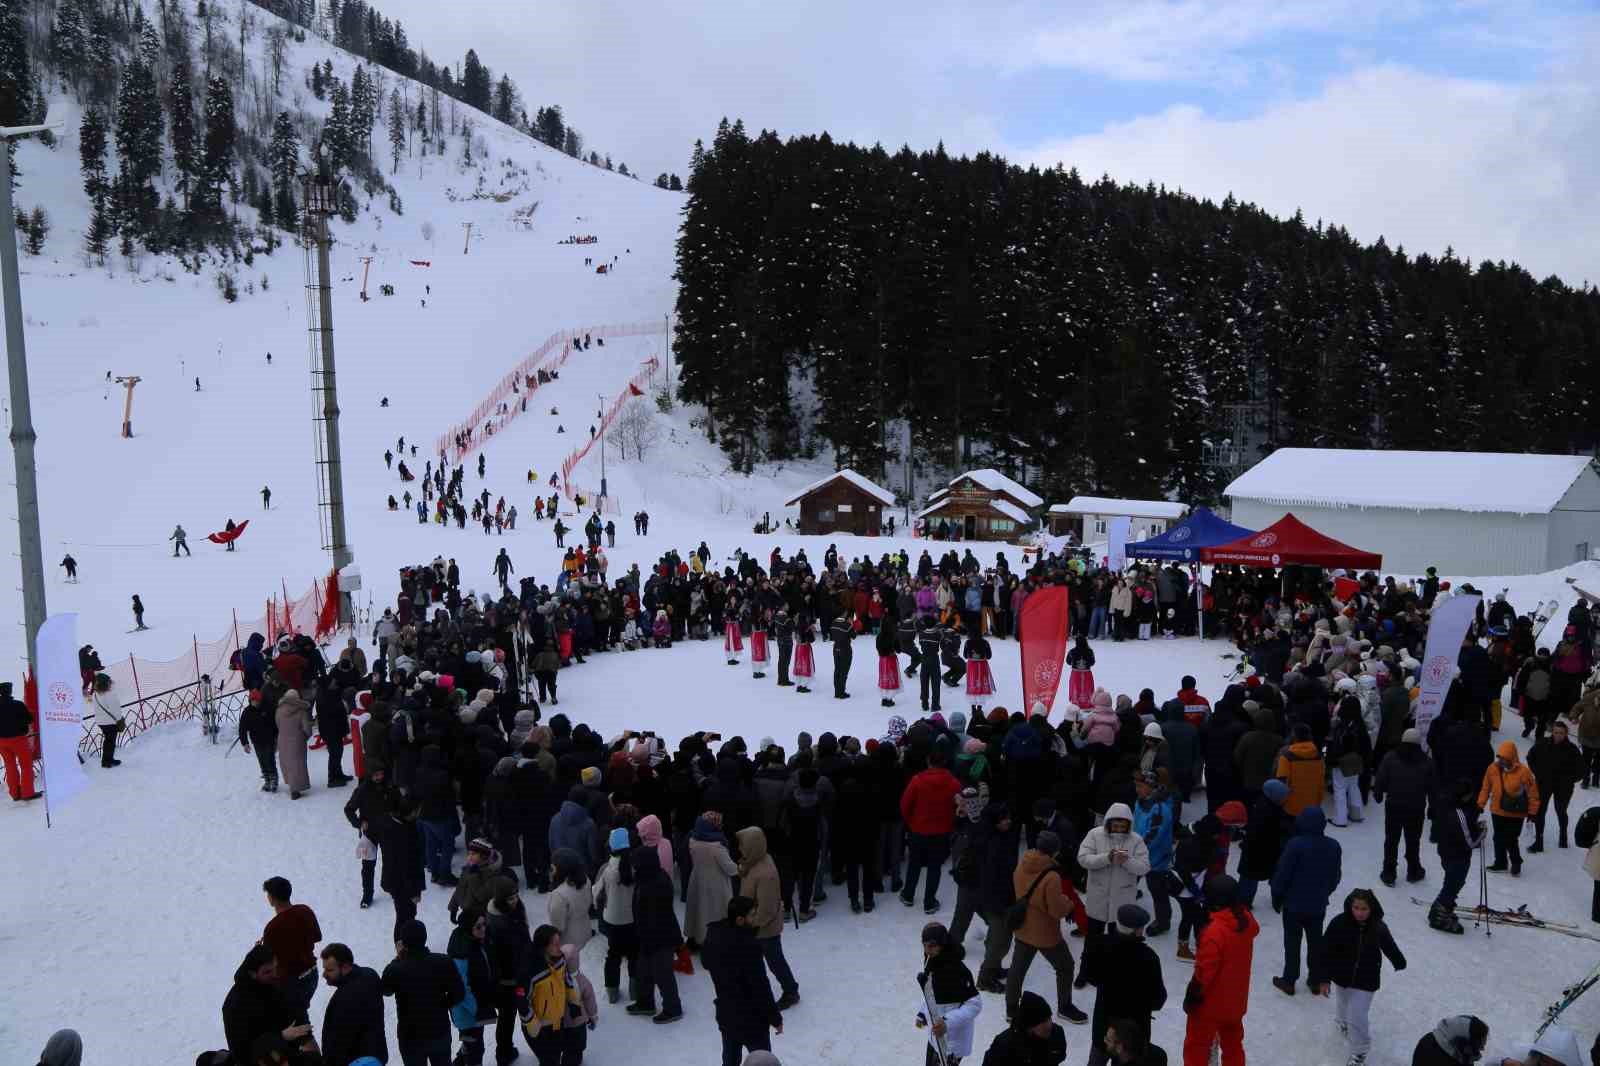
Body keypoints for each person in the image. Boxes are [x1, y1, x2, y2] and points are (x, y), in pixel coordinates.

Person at [1004, 829, 1089, 1026]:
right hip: (1046, 934)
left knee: (1017, 970)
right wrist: (1068, 902)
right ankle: (1065, 1007)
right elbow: (1057, 911)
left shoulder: (1022, 864)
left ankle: (1011, 1009)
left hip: (1023, 928)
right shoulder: (1052, 877)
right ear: (1054, 851)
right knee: (1065, 966)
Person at [1313, 888, 1406, 1066]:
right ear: (1350, 906)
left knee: (1357, 1015)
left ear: (1371, 909)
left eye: (1364, 909)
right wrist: (1323, 979)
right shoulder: (1339, 923)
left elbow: (1389, 945)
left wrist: (1399, 961)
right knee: (1343, 1004)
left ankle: (1360, 1052)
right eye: (1356, 907)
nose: (1360, 912)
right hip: (1342, 976)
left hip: (1367, 979)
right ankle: (1343, 1022)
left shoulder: (1378, 926)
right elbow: (1324, 951)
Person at [1180, 876, 1257, 1066]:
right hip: (1236, 1001)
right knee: (1233, 1046)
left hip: (1210, 1007)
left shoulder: (1215, 932)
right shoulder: (1245, 920)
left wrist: (1192, 997)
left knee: (1196, 1048)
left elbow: (1204, 973)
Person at [702, 896, 784, 1066]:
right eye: (752, 915)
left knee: (730, 1060)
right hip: (752, 1020)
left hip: (727, 1015)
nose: (756, 918)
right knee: (761, 1060)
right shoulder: (748, 946)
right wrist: (775, 1018)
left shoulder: (714, 936)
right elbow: (760, 987)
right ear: (740, 920)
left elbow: (705, 962)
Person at [1082, 904, 1166, 1066]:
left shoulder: (1099, 945)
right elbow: (1158, 999)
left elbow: (1090, 976)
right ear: (1136, 930)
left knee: (1097, 1060)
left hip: (1103, 1026)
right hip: (1132, 1033)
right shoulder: (1148, 958)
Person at [1270, 807, 1341, 996]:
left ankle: (1289, 980)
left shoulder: (1295, 844)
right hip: (1317, 905)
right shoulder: (1333, 846)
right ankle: (1315, 980)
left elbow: (1283, 874)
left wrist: (1277, 895)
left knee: (1292, 942)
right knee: (1315, 943)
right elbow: (1335, 877)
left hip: (1293, 905)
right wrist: (1325, 892)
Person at [381, 919, 465, 1066]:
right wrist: (443, 1004)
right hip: (439, 1030)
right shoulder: (443, 962)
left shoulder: (396, 969)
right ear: (425, 937)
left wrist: (397, 959)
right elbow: (459, 994)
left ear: (403, 943)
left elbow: (385, 990)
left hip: (410, 1036)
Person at [737, 826, 800, 1010]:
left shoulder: (766, 875)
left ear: (752, 847)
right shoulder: (755, 861)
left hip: (764, 929)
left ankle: (790, 990)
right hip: (753, 926)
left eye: (743, 845)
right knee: (754, 961)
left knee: (774, 961)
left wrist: (748, 921)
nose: (740, 849)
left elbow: (766, 910)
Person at [901, 748, 964, 914]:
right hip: (942, 831)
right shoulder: (954, 783)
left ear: (928, 762)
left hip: (919, 829)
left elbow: (905, 805)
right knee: (935, 866)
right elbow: (959, 806)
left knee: (914, 864)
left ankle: (908, 894)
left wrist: (910, 823)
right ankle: (929, 902)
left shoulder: (917, 780)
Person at [628, 844, 685, 1023]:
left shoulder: (656, 884)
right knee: (643, 970)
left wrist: (648, 941)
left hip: (660, 938)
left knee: (663, 974)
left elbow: (656, 918)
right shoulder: (647, 877)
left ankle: (673, 1008)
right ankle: (646, 1003)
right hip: (647, 936)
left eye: (636, 862)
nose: (633, 865)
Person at [223, 943, 307, 1065]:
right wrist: (281, 1037)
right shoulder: (236, 1005)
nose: (274, 974)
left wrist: (304, 1035)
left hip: (286, 1054)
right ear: (253, 974)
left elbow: (289, 1012)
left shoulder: (271, 984)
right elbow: (242, 1052)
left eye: (276, 968)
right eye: (267, 972)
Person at [1372, 728, 1435, 886]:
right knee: (1413, 839)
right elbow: (1433, 787)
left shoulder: (1391, 757)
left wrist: (1378, 793)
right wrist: (1432, 807)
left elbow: (1381, 777)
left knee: (1391, 840)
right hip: (1416, 807)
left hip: (1394, 805)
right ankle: (1414, 870)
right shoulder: (1427, 762)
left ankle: (1389, 872)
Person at [916, 922, 983, 1066]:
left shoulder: (959, 971)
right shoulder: (931, 963)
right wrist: (923, 1012)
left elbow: (974, 1005)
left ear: (942, 944)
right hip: (935, 1038)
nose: (927, 950)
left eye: (932, 945)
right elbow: (930, 994)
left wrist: (947, 1023)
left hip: (953, 1044)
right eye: (925, 945)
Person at [1427, 780, 1486, 935]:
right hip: (1457, 854)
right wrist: (1482, 832)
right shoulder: (1459, 814)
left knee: (1452, 881)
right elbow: (1470, 841)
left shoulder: (1445, 804)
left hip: (1446, 850)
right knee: (1454, 883)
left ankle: (1445, 908)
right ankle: (1439, 914)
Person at [263, 876, 324, 1023]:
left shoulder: (273, 928)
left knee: (296, 1024)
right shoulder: (305, 911)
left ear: (272, 898)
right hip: (311, 974)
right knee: (299, 1016)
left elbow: (268, 960)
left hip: (291, 982)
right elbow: (317, 936)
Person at [318, 943, 387, 1066]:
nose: (324, 975)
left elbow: (336, 1042)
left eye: (329, 970)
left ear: (344, 967)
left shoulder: (342, 999)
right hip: (376, 1056)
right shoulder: (370, 974)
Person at [522, 925, 581, 1066]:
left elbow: (567, 981)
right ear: (543, 947)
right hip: (539, 1028)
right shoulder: (530, 970)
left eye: (559, 942)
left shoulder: (560, 960)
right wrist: (533, 1024)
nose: (559, 947)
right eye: (555, 944)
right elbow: (522, 1001)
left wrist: (574, 1003)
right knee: (548, 1060)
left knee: (555, 1055)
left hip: (557, 1022)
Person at [1478, 740, 1539, 875]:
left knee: (1511, 838)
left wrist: (1532, 812)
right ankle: (1500, 862)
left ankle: (1516, 862)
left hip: (1516, 813)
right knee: (1498, 838)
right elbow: (1485, 788)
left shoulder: (1524, 772)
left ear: (1512, 757)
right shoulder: (1492, 769)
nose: (1502, 761)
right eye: (1500, 758)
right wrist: (1480, 804)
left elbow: (1533, 794)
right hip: (1497, 810)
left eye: (1505, 758)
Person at [447, 909, 498, 1066]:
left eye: (484, 924)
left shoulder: (474, 941)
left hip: (475, 1008)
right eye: (478, 926)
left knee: (471, 1044)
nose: (483, 929)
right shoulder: (461, 953)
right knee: (475, 1048)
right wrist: (477, 1010)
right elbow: (461, 987)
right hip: (466, 1012)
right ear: (469, 928)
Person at [595, 827, 639, 1004]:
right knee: (634, 955)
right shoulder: (635, 866)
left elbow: (597, 892)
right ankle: (635, 991)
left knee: (613, 955)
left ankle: (612, 992)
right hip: (633, 919)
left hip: (613, 920)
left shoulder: (607, 870)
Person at [1528, 720, 1582, 851]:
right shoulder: (1543, 743)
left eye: (1561, 733)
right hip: (1544, 783)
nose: (1558, 735)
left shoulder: (1572, 749)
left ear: (1566, 734)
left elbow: (1581, 770)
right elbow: (1530, 757)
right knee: (1540, 812)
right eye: (1556, 732)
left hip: (1563, 787)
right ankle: (1538, 841)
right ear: (1552, 732)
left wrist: (1569, 780)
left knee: (1561, 811)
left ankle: (1563, 837)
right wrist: (1538, 773)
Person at [982, 991, 1068, 1066]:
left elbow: (1059, 1057)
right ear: (1029, 1026)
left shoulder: (1057, 1034)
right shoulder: (1004, 1046)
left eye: (1049, 1018)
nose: (1049, 1025)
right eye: (1042, 1022)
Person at [0, 680, 39, 800]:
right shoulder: (18, 704)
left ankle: (15, 793)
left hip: (1, 741)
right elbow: (29, 719)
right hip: (18, 739)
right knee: (26, 765)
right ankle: (27, 793)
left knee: (10, 766)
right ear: (10, 691)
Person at [276, 688, 315, 800]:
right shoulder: (301, 711)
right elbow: (307, 728)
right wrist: (305, 736)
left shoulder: (279, 710)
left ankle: (292, 785)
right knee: (298, 765)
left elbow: (277, 724)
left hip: (282, 740)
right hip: (297, 740)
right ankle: (295, 790)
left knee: (287, 763)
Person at [1412, 1016, 1489, 1066]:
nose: (1482, 1049)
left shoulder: (1456, 1050)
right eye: (1480, 1044)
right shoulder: (1440, 1058)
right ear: (1466, 1040)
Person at [90, 672, 127, 768]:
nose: (111, 683)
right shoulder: (110, 695)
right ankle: (107, 762)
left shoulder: (95, 695)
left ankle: (108, 760)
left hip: (101, 722)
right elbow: (116, 710)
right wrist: (120, 720)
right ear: (106, 683)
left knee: (108, 741)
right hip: (110, 723)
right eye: (109, 682)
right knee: (110, 742)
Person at [831, 611, 854, 699]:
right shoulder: (847, 625)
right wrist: (851, 624)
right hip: (845, 649)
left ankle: (837, 691)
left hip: (836, 648)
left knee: (837, 669)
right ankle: (841, 692)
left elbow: (832, 636)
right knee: (844, 671)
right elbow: (854, 636)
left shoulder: (833, 623)